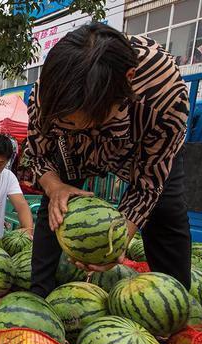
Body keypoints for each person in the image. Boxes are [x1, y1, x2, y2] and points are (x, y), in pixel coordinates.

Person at [25, 23, 191, 297]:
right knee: (56, 208)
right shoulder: (48, 95)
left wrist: (115, 240)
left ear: (127, 80)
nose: (61, 121)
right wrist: (55, 187)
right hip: (73, 150)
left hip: (142, 148)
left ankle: (175, 304)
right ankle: (39, 297)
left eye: (72, 118)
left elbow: (148, 184)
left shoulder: (165, 94)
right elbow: (38, 154)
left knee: (166, 210)